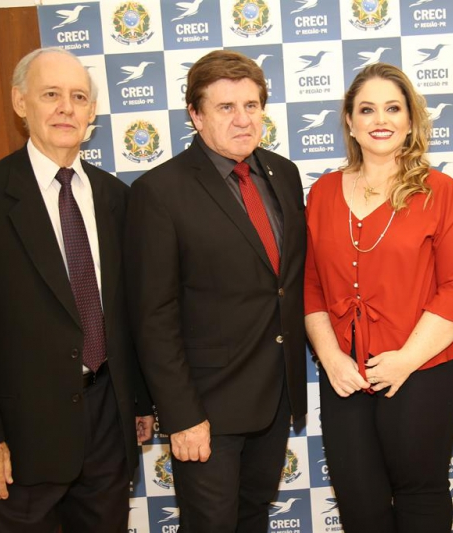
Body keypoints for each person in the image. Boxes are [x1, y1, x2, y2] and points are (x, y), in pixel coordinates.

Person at [0, 47, 154, 532]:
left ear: (92, 112)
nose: (66, 108)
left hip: (107, 424)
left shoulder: (117, 198)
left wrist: (138, 401)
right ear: (20, 102)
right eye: (51, 94)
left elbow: (127, 312)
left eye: (79, 97)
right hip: (21, 439)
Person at [124, 50, 307, 533]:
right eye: (226, 107)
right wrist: (182, 416)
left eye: (252, 105)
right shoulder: (159, 192)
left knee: (253, 518)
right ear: (196, 115)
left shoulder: (283, 174)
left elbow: (283, 285)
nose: (243, 119)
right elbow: (152, 317)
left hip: (275, 397)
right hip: (206, 408)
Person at [304, 63, 453, 533]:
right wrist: (332, 359)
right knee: (358, 501)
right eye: (367, 110)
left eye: (392, 108)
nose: (380, 120)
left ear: (410, 121)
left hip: (425, 368)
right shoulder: (322, 193)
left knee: (419, 495)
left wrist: (405, 360)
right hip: (345, 374)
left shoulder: (439, 191)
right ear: (350, 122)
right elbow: (311, 288)